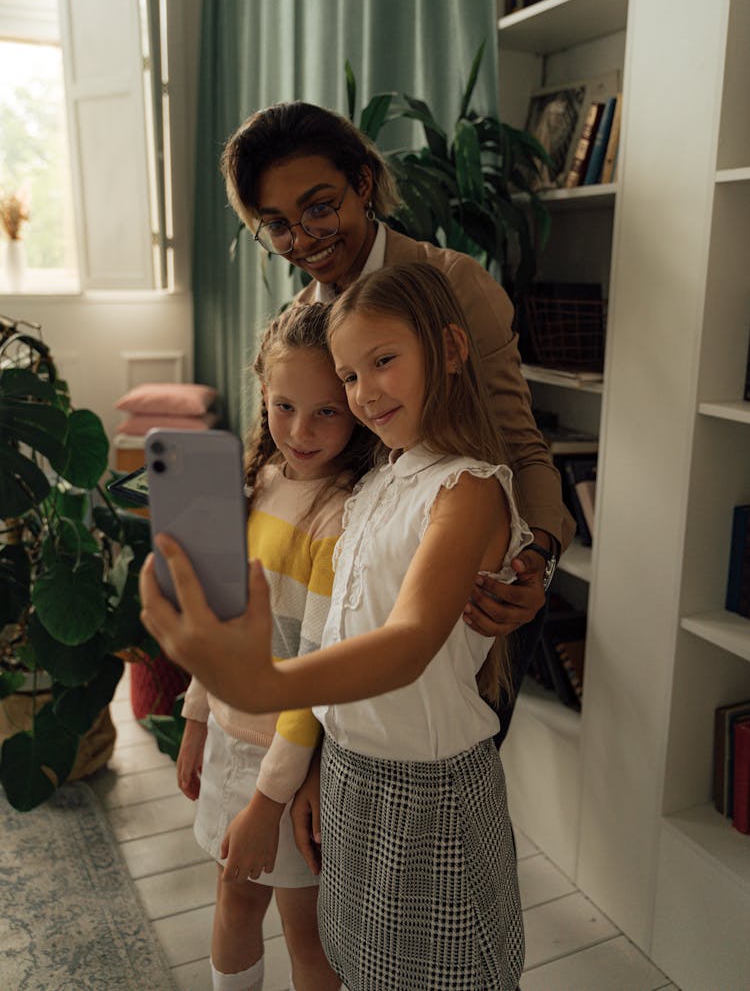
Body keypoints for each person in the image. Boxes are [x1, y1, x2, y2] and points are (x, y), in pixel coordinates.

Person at [141, 262, 537, 990]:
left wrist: (264, 680)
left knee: (447, 974)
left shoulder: (469, 488)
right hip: (354, 777)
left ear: (449, 349)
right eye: (352, 376)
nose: (366, 392)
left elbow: (408, 641)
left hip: (430, 793)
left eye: (382, 362)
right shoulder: (381, 480)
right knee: (361, 967)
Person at [220, 100, 574, 742]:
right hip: (355, 597)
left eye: (320, 207)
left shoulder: (454, 286)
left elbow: (522, 448)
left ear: (362, 183)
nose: (304, 240)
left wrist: (537, 561)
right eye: (278, 225)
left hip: (462, 601)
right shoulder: (299, 318)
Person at [175, 302, 370, 991]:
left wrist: (267, 801)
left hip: (288, 767)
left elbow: (315, 677)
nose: (301, 430)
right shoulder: (258, 484)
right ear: (263, 394)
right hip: (230, 741)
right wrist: (197, 718)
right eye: (285, 406)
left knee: (304, 932)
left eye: (326, 411)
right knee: (232, 900)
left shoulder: (344, 515)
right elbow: (223, 620)